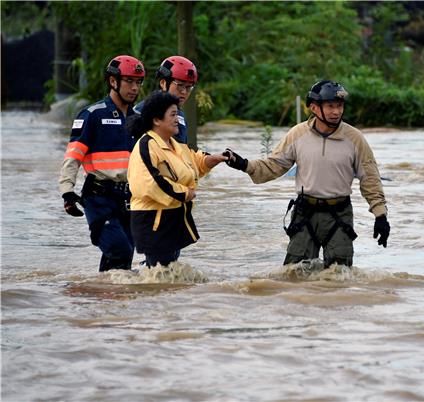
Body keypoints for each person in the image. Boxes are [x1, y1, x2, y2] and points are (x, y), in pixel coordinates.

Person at [224, 80, 390, 268]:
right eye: (330, 106)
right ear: (313, 107)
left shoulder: (355, 138)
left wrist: (380, 215)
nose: (336, 112)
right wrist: (244, 165)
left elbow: (370, 178)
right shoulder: (297, 134)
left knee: (339, 278)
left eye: (340, 106)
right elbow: (274, 165)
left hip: (339, 214)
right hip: (305, 212)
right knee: (294, 274)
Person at [59, 55, 146, 272]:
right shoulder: (92, 114)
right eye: (129, 81)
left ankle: (103, 300)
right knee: (120, 251)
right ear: (113, 81)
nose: (135, 88)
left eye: (138, 82)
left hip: (129, 199)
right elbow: (73, 155)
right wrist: (67, 191)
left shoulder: (139, 120)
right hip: (99, 198)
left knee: (121, 262)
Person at [126, 91, 228, 268]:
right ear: (157, 120)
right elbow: (149, 184)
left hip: (172, 218)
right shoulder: (146, 145)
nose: (177, 119)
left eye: (177, 114)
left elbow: (191, 163)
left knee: (166, 279)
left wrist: (210, 161)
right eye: (173, 114)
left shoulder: (175, 144)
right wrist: (185, 193)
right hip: (152, 221)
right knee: (161, 276)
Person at [133, 55, 197, 144]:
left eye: (189, 87)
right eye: (180, 85)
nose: (184, 92)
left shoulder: (180, 114)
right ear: (163, 83)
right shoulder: (143, 111)